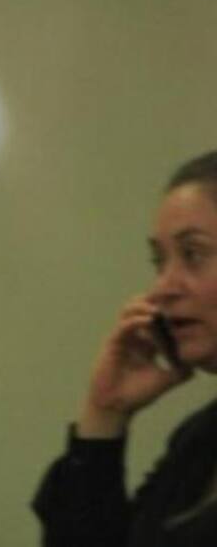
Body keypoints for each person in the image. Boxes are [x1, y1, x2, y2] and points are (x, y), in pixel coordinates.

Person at [34, 150, 217, 545]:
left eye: (193, 254)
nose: (163, 288)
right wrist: (105, 412)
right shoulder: (199, 441)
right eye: (159, 262)